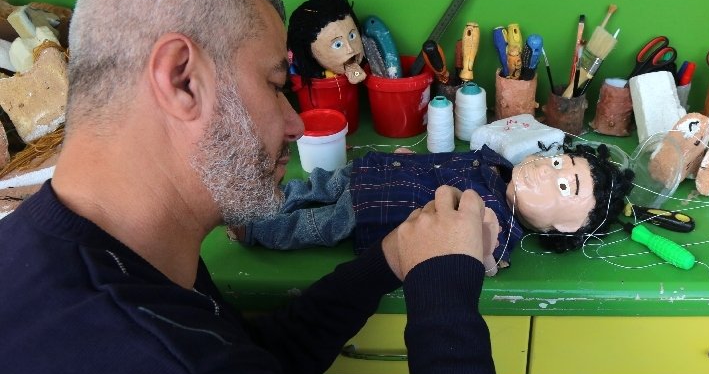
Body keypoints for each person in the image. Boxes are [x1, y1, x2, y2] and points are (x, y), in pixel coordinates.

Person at [0, 0, 511, 374]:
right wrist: (445, 289)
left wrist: (391, 259)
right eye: (275, 85)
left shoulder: (84, 249)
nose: (295, 124)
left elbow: (250, 354)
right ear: (182, 80)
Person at [232, 143, 635, 271]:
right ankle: (255, 200)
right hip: (376, 171)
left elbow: (476, 257)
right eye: (558, 161)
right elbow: (449, 161)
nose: (546, 170)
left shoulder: (497, 226)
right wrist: (415, 159)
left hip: (378, 208)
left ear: (564, 229)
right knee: (315, 184)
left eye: (563, 185)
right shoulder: (501, 166)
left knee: (316, 225)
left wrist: (487, 257)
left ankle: (255, 230)